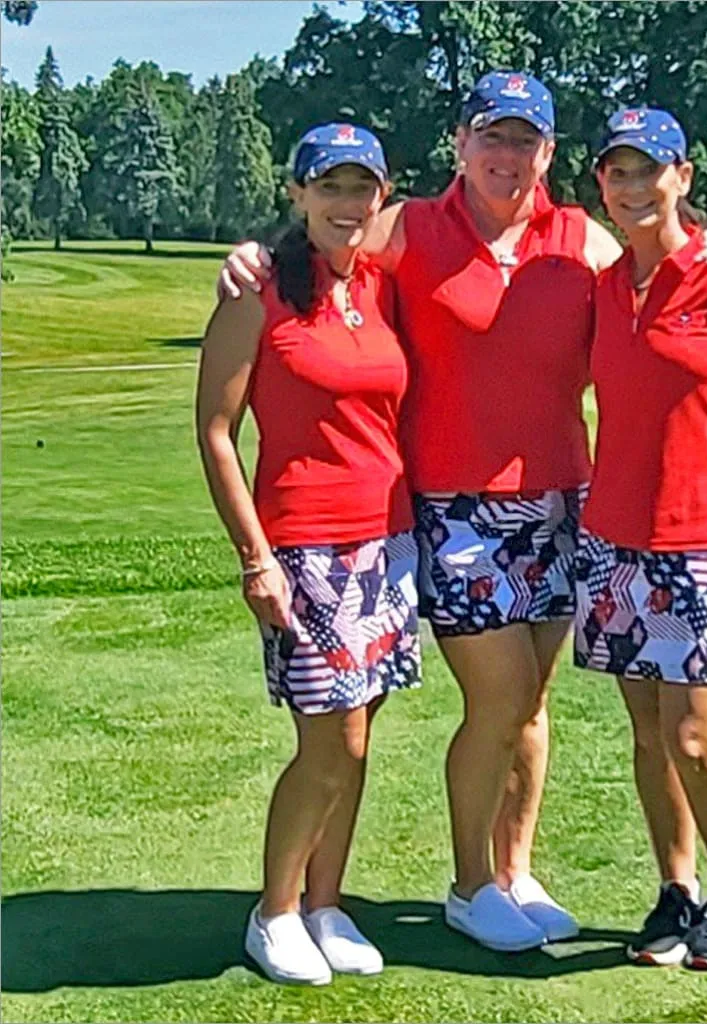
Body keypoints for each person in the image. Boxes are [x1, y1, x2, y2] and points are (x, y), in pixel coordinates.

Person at [217, 72, 707, 954]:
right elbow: (324, 238)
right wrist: (250, 255)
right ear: (461, 144)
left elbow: (670, 265)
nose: (508, 157)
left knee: (532, 706)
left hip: (562, 502)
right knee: (497, 702)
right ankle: (469, 884)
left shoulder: (577, 239)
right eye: (491, 138)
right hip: (455, 508)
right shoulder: (411, 227)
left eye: (526, 142)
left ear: (547, 154)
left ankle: (514, 869)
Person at [196, 123, 421, 984]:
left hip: (387, 543)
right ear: (296, 194)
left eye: (362, 188)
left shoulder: (381, 284)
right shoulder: (258, 291)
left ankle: (326, 903)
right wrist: (255, 556)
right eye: (328, 187)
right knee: (327, 741)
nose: (346, 204)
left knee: (360, 738)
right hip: (304, 546)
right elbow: (216, 432)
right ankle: (276, 910)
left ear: (381, 195)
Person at [575, 108, 707, 971]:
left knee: (695, 739)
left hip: (701, 543)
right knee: (650, 738)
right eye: (617, 173)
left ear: (683, 177)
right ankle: (677, 888)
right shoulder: (604, 281)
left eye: (648, 171)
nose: (633, 188)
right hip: (614, 537)